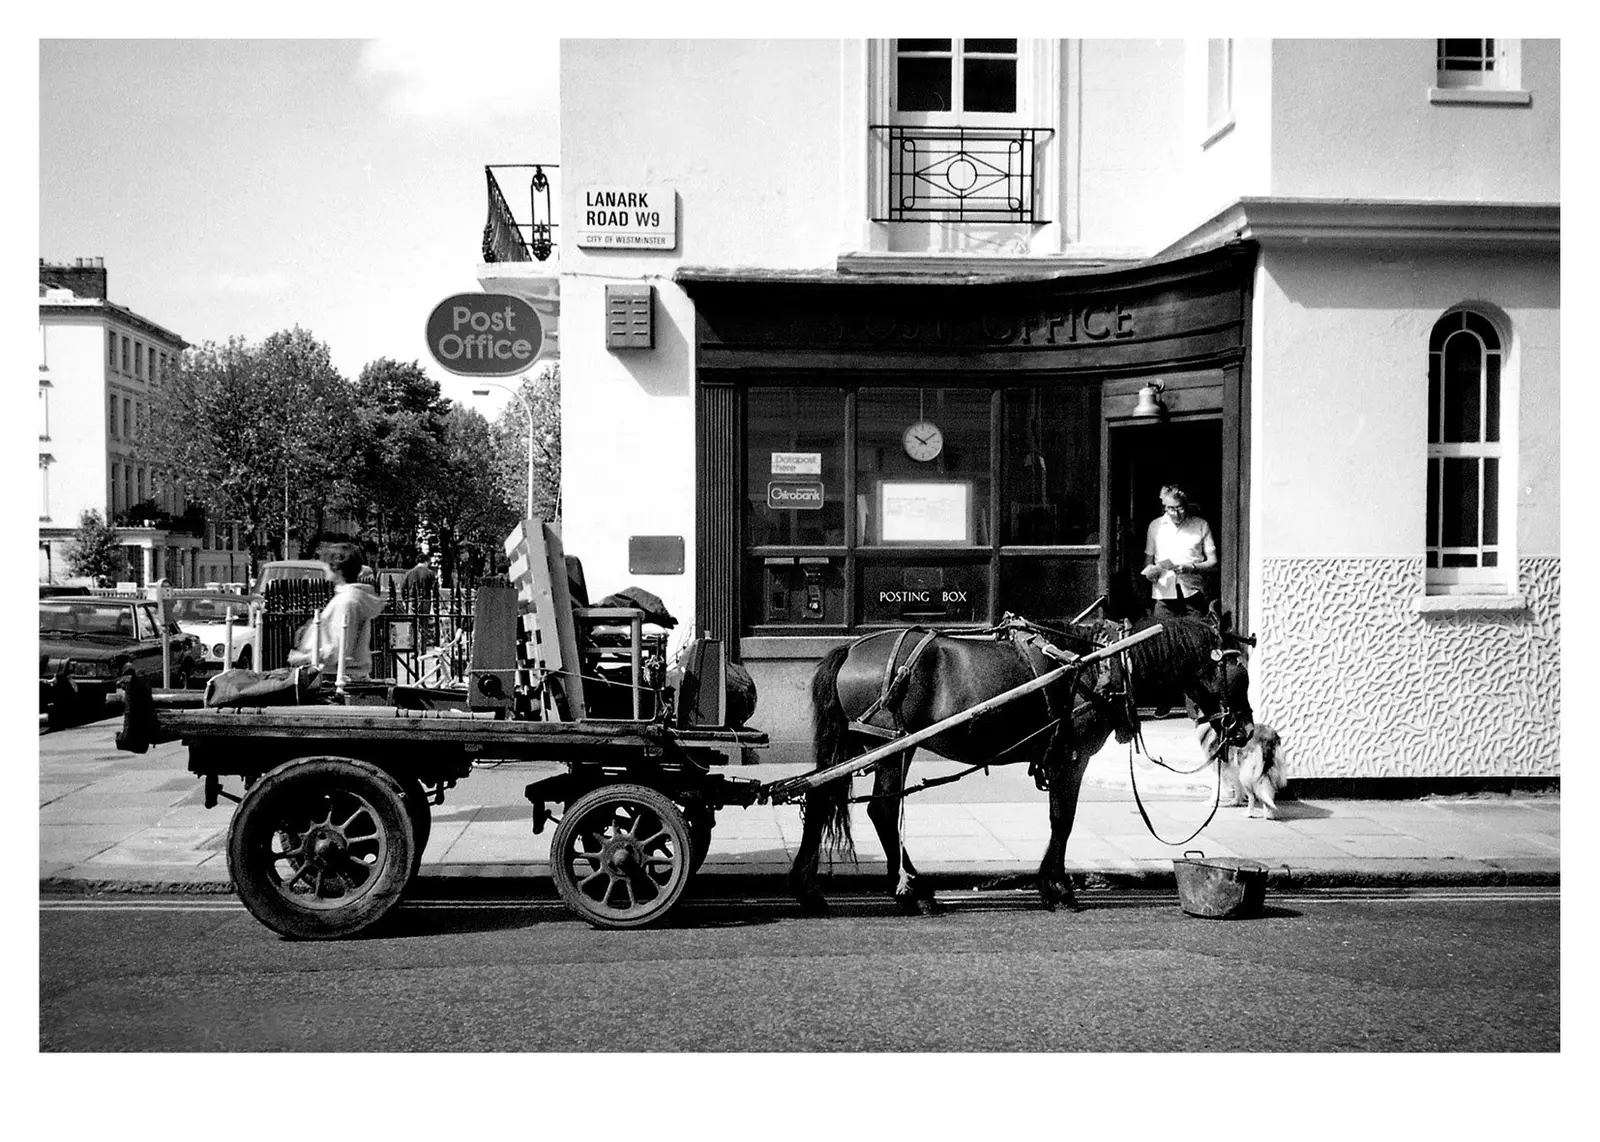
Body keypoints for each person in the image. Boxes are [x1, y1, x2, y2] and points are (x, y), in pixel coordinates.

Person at [288, 543, 386, 686]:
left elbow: (340, 647)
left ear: (338, 569)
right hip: (346, 674)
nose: (324, 567)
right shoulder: (351, 597)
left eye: (327, 563)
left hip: (339, 678)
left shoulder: (345, 601)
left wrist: (305, 658)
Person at [1141, 484, 1218, 617]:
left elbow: (1213, 562)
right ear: (1164, 507)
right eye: (1171, 508)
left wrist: (1192, 567)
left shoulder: (1201, 525)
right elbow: (1148, 562)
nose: (1175, 514)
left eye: (1180, 508)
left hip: (1193, 593)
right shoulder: (1155, 526)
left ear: (1186, 505)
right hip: (1164, 594)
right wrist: (1150, 573)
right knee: (1164, 633)